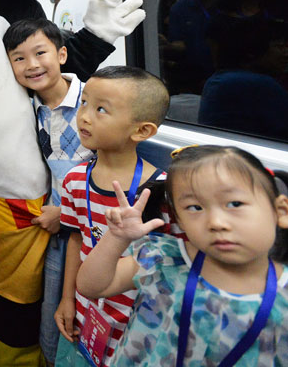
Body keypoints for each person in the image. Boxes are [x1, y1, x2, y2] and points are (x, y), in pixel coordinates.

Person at [77, 146, 288, 366]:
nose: (216, 222)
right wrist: (117, 237)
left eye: (234, 204)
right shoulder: (164, 261)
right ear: (179, 219)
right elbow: (92, 286)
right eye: (195, 207)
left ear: (280, 211)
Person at [55, 66, 171, 366]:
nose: (85, 116)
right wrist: (67, 299)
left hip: (137, 326)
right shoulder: (74, 180)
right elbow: (76, 239)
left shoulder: (159, 192)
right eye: (84, 103)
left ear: (141, 130)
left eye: (101, 109)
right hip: (84, 312)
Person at [3, 18, 94, 366]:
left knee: (86, 309)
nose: (32, 65)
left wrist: (66, 213)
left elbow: (109, 161)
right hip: (55, 224)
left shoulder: (92, 99)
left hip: (88, 222)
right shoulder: (28, 108)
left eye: (40, 53)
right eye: (19, 58)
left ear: (62, 54)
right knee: (55, 307)